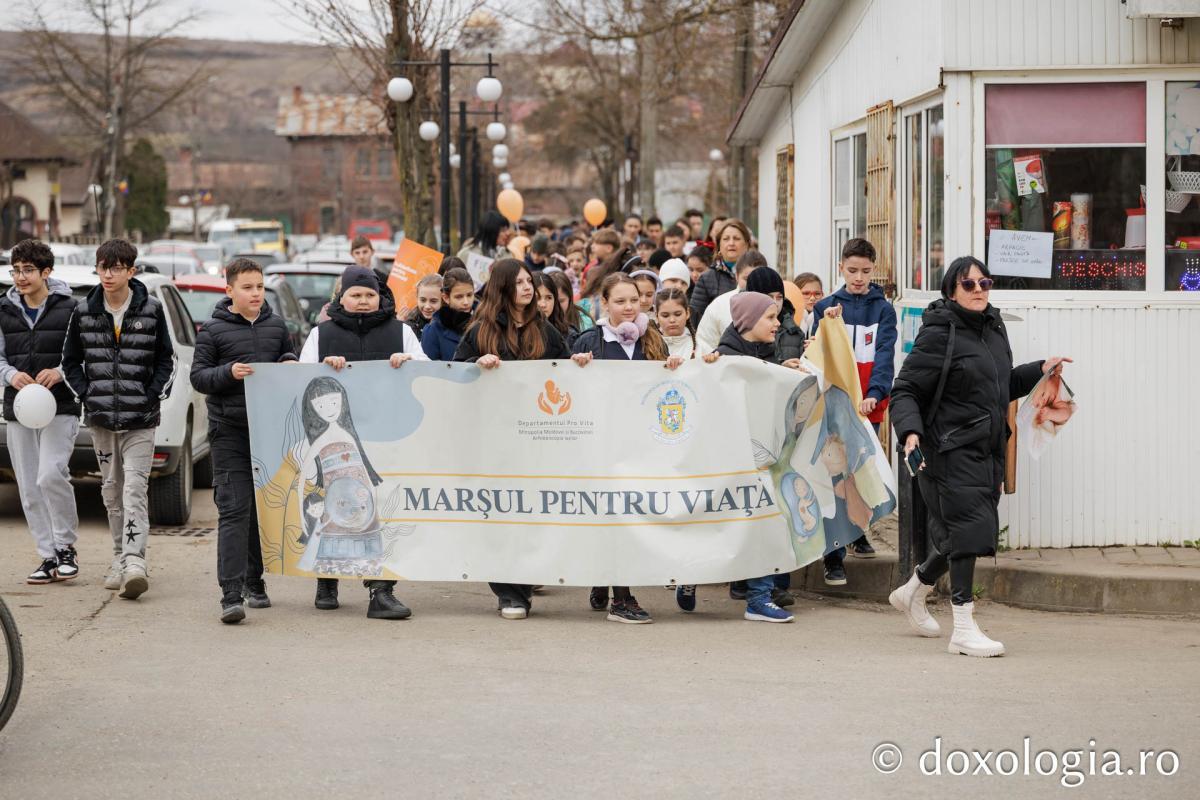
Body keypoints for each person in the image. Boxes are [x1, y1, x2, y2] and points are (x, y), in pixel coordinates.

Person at [888, 256, 1071, 658]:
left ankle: (913, 590)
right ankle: (963, 628)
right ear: (951, 291)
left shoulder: (993, 328)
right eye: (968, 284)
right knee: (970, 530)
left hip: (986, 449)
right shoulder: (939, 333)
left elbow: (1002, 385)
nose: (978, 291)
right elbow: (905, 390)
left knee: (961, 533)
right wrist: (910, 431)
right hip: (947, 449)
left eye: (984, 283)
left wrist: (1040, 369)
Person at [298, 265, 427, 619]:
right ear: (342, 298)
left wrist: (410, 362)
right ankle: (327, 579)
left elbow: (427, 369)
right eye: (356, 295)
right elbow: (301, 377)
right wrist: (322, 368)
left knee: (378, 512)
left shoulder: (402, 332)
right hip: (336, 443)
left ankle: (381, 590)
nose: (363, 301)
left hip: (387, 436)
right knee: (332, 508)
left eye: (370, 294)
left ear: (380, 297)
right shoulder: (321, 335)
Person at [453, 259, 571, 620]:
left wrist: (579, 364)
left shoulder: (545, 331)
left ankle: (524, 582)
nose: (528, 287)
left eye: (528, 281)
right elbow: (455, 376)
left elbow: (566, 373)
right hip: (494, 440)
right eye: (519, 282)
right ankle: (509, 592)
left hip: (537, 441)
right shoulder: (480, 331)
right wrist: (476, 364)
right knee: (501, 515)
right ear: (503, 287)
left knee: (532, 512)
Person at [62, 238, 175, 600]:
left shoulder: (152, 309)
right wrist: (87, 394)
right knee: (111, 490)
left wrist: (150, 394)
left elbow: (167, 360)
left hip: (141, 420)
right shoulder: (83, 311)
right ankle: (117, 557)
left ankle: (135, 561)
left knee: (134, 489)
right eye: (103, 267)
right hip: (101, 420)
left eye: (116, 267)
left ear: (131, 271)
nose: (108, 274)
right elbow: (70, 362)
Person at [570, 274, 685, 624]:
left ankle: (604, 579)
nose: (629, 307)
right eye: (620, 301)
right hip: (602, 445)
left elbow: (664, 389)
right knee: (613, 516)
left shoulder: (653, 339)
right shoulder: (590, 341)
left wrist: (672, 369)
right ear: (605, 304)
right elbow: (570, 388)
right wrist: (577, 368)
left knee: (629, 517)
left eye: (634, 300)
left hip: (641, 444)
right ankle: (621, 599)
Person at [189, 258, 298, 623]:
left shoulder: (276, 325)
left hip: (269, 432)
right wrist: (228, 372)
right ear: (230, 290)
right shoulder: (212, 330)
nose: (255, 294)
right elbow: (199, 377)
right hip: (228, 432)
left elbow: (287, 357)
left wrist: (289, 362)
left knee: (262, 508)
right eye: (247, 287)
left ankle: (255, 580)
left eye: (260, 287)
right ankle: (231, 594)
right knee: (235, 507)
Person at [707, 291, 809, 623]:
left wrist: (784, 370)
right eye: (770, 317)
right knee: (724, 525)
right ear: (749, 321)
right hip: (730, 457)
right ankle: (691, 577)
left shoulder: (770, 352)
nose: (777, 323)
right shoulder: (723, 357)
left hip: (763, 457)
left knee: (767, 520)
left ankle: (759, 597)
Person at [812, 237, 897, 572]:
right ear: (840, 268)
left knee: (862, 469)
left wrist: (875, 392)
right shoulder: (826, 307)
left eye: (865, 271)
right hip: (833, 404)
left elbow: (885, 355)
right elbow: (816, 356)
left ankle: (859, 531)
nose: (859, 277)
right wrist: (826, 323)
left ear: (874, 270)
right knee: (835, 472)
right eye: (852, 270)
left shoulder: (884, 310)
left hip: (866, 406)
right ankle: (834, 552)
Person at [0, 239, 81, 585]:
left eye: (28, 270)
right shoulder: (3, 309)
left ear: (46, 272)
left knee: (50, 474)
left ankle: (65, 547)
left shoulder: (72, 309)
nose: (20, 277)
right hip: (19, 407)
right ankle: (47, 556)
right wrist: (10, 375)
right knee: (29, 484)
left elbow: (82, 356)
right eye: (16, 270)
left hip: (60, 405)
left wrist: (60, 372)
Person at [695, 252, 766, 355]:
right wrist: (714, 358)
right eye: (746, 279)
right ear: (737, 276)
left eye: (758, 278)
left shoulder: (775, 304)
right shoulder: (719, 305)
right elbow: (704, 343)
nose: (752, 283)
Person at [690, 218, 750, 320]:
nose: (731, 243)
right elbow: (695, 318)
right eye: (726, 239)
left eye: (736, 238)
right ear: (719, 245)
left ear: (746, 244)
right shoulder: (706, 278)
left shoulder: (757, 273)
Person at [421, 268, 475, 361]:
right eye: (459, 297)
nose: (466, 302)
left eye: (469, 295)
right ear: (446, 298)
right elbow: (429, 368)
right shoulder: (433, 330)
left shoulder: (484, 324)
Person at [532, 271, 575, 347]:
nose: (543, 305)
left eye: (549, 298)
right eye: (537, 298)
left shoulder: (569, 336)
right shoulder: (514, 333)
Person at [547, 269, 594, 336]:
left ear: (570, 298)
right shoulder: (538, 321)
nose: (556, 306)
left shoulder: (584, 322)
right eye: (550, 299)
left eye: (561, 301)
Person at [654, 288, 696, 360]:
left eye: (677, 314)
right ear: (656, 316)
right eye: (665, 315)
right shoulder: (648, 345)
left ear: (687, 313)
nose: (672, 320)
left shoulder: (700, 344)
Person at [405, 274, 442, 340]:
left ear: (444, 300)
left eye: (433, 301)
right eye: (423, 300)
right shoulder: (408, 326)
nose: (427, 306)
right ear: (417, 298)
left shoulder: (451, 327)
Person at [793, 272, 824, 338]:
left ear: (822, 295)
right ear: (796, 294)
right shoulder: (786, 321)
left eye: (817, 294)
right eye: (806, 293)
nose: (812, 298)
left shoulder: (828, 321)